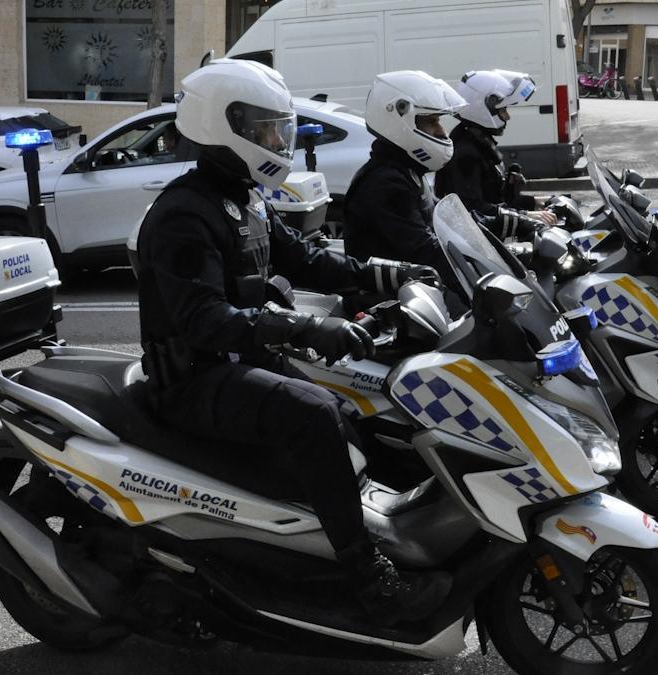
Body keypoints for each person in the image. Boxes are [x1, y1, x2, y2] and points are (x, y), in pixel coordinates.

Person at [136, 58, 448, 625]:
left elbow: (305, 259)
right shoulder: (185, 214)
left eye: (282, 128)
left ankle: (354, 533)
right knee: (315, 415)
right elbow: (204, 320)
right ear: (224, 126)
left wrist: (389, 273)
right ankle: (366, 581)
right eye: (267, 129)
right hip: (192, 379)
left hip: (239, 360)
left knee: (358, 407)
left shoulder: (245, 197)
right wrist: (306, 328)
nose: (280, 139)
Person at [342, 70, 468, 289]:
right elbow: (422, 249)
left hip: (417, 291)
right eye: (432, 122)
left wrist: (487, 230)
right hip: (389, 305)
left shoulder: (405, 171)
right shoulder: (385, 183)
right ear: (400, 120)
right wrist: (472, 258)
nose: (441, 131)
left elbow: (443, 217)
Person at [434, 69, 556, 240]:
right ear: (483, 107)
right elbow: (474, 208)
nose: (507, 116)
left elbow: (495, 197)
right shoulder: (465, 152)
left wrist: (537, 201)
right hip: (478, 242)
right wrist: (524, 215)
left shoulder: (478, 139)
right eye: (503, 109)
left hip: (491, 235)